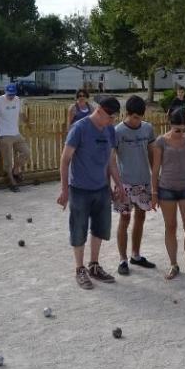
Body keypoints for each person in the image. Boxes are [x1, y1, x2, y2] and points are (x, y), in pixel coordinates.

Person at [57, 96, 124, 289]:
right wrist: (65, 190)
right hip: (80, 189)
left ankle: (94, 265)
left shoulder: (109, 130)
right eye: (110, 117)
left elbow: (111, 161)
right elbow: (65, 160)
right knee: (78, 230)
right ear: (100, 111)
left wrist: (118, 184)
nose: (112, 121)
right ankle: (79, 269)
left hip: (101, 188)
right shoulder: (80, 128)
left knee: (100, 229)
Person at [151, 108, 185, 280]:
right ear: (170, 124)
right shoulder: (161, 141)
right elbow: (155, 169)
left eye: (184, 129)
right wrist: (154, 192)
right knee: (171, 227)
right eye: (177, 129)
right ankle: (173, 264)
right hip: (166, 188)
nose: (181, 133)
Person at [113, 95, 157, 275]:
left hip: (144, 182)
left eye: (140, 117)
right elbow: (111, 160)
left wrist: (155, 180)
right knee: (124, 219)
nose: (137, 121)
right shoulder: (117, 131)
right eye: (134, 117)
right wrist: (116, 183)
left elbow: (153, 155)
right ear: (127, 114)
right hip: (125, 183)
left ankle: (136, 255)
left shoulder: (148, 129)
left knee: (141, 218)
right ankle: (122, 259)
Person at [0, 83, 30, 193]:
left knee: (26, 152)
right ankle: (12, 182)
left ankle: (16, 170)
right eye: (9, 95)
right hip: (4, 134)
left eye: (13, 94)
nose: (11, 97)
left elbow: (21, 114)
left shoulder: (17, 99)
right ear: (5, 92)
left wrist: (27, 122)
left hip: (16, 133)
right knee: (7, 160)